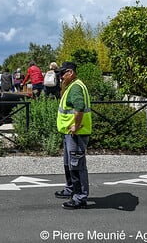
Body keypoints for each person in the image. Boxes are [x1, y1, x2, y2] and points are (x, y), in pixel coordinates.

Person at [54, 61, 92, 210]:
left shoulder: (76, 87)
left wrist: (76, 125)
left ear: (70, 72)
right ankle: (70, 189)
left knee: (77, 166)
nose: (60, 77)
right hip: (69, 133)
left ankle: (80, 198)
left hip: (76, 133)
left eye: (62, 74)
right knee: (69, 163)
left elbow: (79, 107)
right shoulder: (72, 86)